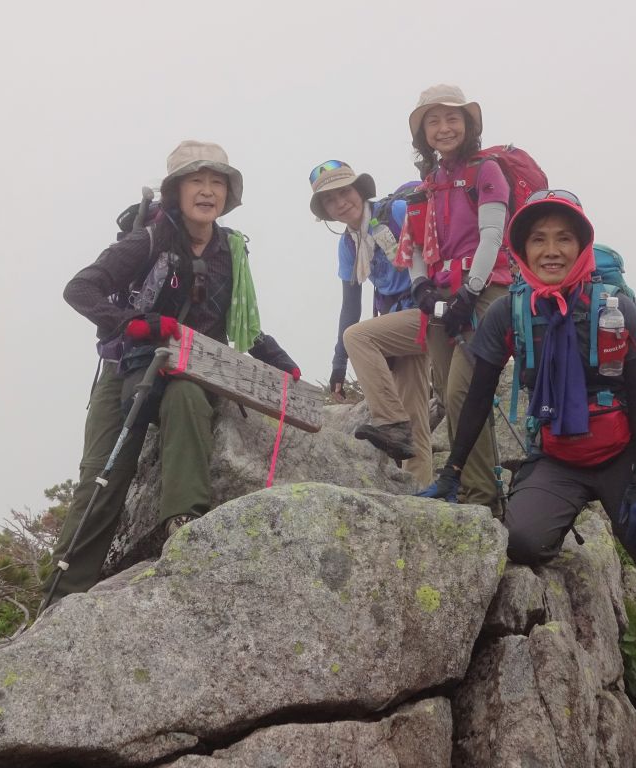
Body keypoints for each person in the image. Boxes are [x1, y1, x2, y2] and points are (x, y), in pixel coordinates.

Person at [421, 189, 636, 736]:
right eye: (538, 239)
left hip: (625, 452)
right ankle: (555, 518)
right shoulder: (510, 310)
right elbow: (476, 395)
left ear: (581, 245)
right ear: (522, 249)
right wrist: (452, 472)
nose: (551, 249)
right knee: (524, 541)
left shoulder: (612, 303)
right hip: (557, 455)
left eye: (563, 238)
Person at [43, 140, 300, 608]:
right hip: (128, 367)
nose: (207, 191)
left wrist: (277, 358)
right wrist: (133, 325)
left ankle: (183, 526)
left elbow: (239, 324)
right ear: (176, 191)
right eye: (196, 181)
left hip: (191, 370)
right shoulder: (148, 240)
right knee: (101, 477)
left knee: (186, 396)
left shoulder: (231, 252)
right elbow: (80, 288)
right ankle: (63, 595)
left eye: (216, 182)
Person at [391, 83, 515, 512]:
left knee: (465, 391)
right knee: (447, 391)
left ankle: (481, 495)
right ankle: (468, 485)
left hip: (486, 292)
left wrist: (471, 291)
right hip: (443, 295)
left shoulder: (488, 171)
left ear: (468, 124)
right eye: (433, 120)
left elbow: (492, 236)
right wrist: (421, 286)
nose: (443, 128)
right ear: (422, 132)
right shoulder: (429, 183)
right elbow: (418, 247)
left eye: (452, 118)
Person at [308, 160, 432, 485]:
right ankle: (419, 491)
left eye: (344, 192)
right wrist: (338, 366)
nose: (340, 203)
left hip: (432, 310)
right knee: (413, 411)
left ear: (359, 190)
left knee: (359, 338)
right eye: (329, 200)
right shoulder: (349, 242)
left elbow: (437, 249)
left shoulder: (400, 212)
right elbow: (351, 305)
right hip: (399, 324)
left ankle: (389, 422)